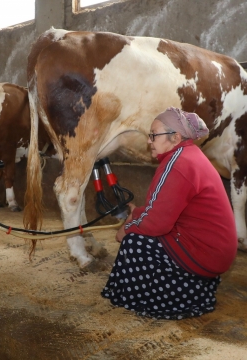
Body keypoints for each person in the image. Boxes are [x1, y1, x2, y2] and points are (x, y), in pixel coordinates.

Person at [101, 107, 237, 320]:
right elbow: (161, 208)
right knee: (140, 232)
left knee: (135, 242)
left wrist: (127, 228)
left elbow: (157, 223)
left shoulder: (178, 163)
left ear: (175, 137)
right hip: (212, 252)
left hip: (205, 253)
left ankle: (149, 300)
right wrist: (136, 214)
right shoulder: (189, 155)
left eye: (154, 135)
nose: (149, 141)